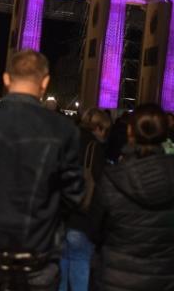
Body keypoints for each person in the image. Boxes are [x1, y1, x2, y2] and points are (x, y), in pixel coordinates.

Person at [0, 49, 84, 290]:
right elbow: (74, 195)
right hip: (35, 254)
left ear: (7, 78)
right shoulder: (63, 129)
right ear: (45, 82)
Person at [91, 104, 174, 291]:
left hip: (117, 277)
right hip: (161, 277)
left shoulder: (112, 176)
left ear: (130, 132)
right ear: (164, 134)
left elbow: (94, 226)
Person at [60, 107, 110, 291]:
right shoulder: (94, 148)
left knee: (61, 267)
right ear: (97, 127)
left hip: (62, 215)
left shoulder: (65, 140)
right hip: (83, 216)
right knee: (80, 265)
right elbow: (102, 185)